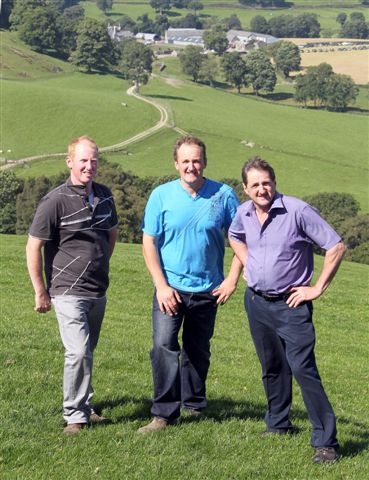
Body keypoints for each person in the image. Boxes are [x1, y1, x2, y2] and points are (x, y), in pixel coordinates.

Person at [228, 156, 346, 463]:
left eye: (266, 182)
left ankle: (326, 442)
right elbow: (234, 235)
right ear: (245, 188)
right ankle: (278, 423)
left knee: (303, 369)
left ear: (274, 183)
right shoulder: (243, 213)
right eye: (255, 184)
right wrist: (248, 263)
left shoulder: (297, 211)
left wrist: (317, 288)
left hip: (291, 305)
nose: (261, 189)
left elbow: (335, 246)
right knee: (272, 367)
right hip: (256, 302)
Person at [138, 135, 243, 433]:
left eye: (196, 160)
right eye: (185, 161)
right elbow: (149, 241)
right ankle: (163, 414)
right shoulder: (161, 195)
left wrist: (232, 279)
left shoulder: (223, 195)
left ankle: (194, 404)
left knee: (198, 349)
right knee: (163, 347)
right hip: (169, 288)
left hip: (208, 288)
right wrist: (161, 285)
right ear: (176, 164)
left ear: (205, 162)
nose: (191, 166)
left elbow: (241, 240)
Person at [26, 135, 118, 435]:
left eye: (93, 160)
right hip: (66, 288)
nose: (89, 165)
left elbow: (111, 234)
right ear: (70, 162)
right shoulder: (54, 200)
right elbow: (33, 245)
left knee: (87, 350)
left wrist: (101, 262)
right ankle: (74, 416)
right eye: (83, 160)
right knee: (77, 352)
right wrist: (41, 289)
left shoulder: (105, 195)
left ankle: (86, 407)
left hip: (97, 288)